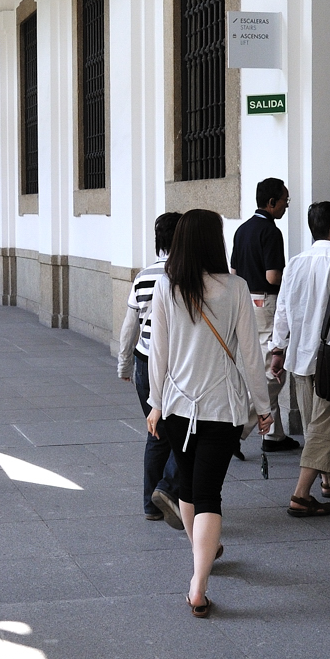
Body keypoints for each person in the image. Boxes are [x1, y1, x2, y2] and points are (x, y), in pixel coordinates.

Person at [147, 209, 274, 618]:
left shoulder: (167, 286)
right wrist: (263, 406)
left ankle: (201, 558)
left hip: (178, 407)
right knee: (208, 495)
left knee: (188, 488)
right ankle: (198, 585)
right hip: (222, 409)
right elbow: (251, 355)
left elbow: (158, 353)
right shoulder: (236, 287)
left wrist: (156, 403)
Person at [265, 201, 330, 518]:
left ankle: (329, 479)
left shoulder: (295, 263)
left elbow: (282, 309)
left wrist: (278, 349)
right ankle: (300, 495)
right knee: (325, 429)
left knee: (314, 427)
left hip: (300, 357)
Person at [119, 211, 184, 529]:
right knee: (185, 433)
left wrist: (124, 363)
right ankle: (167, 489)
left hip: (145, 363)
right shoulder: (187, 276)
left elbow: (129, 325)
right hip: (177, 365)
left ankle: (151, 503)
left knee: (156, 433)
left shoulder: (144, 276)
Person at [231, 178, 299, 453]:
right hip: (266, 304)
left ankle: (274, 435)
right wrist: (292, 283)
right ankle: (236, 430)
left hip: (245, 302)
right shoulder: (271, 232)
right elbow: (273, 276)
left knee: (262, 368)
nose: (286, 206)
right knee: (273, 372)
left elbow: (234, 272)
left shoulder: (242, 229)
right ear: (271, 202)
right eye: (284, 201)